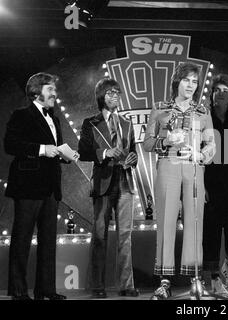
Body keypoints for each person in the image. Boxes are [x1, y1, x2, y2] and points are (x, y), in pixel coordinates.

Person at [143, 62, 215, 300]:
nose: (191, 86)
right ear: (177, 82)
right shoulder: (160, 109)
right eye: (187, 80)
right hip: (168, 167)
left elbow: (213, 144)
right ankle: (164, 282)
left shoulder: (203, 112)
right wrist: (166, 141)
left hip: (194, 169)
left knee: (196, 222)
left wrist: (202, 155)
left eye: (195, 81)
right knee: (166, 221)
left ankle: (195, 279)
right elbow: (147, 143)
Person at [4, 72, 69, 300]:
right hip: (28, 187)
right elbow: (10, 145)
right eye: (50, 89)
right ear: (36, 91)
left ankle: (46, 289)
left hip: (51, 188)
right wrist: (42, 149)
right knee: (22, 239)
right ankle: (19, 291)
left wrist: (65, 155)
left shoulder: (55, 118)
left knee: (48, 241)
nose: (54, 93)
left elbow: (54, 149)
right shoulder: (21, 115)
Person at [78, 78, 139, 299]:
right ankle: (98, 286)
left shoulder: (127, 123)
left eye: (118, 92)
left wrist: (133, 159)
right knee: (100, 236)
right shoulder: (90, 122)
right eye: (111, 93)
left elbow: (134, 152)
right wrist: (104, 153)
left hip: (125, 181)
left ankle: (126, 285)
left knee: (125, 236)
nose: (115, 96)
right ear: (101, 96)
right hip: (103, 183)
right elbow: (83, 151)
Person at [202, 74, 228, 297]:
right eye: (216, 89)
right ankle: (215, 280)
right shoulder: (204, 118)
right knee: (212, 232)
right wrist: (202, 185)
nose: (220, 93)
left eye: (225, 90)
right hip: (210, 181)